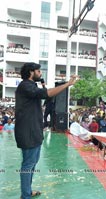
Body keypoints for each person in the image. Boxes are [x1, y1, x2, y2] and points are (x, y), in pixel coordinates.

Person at [15, 62, 78, 199]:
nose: (40, 73)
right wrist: (67, 84)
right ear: (31, 72)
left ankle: (27, 191)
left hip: (34, 131)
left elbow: (45, 93)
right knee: (28, 164)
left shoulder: (32, 86)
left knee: (32, 164)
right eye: (38, 71)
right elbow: (47, 93)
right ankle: (25, 195)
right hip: (28, 132)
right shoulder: (25, 85)